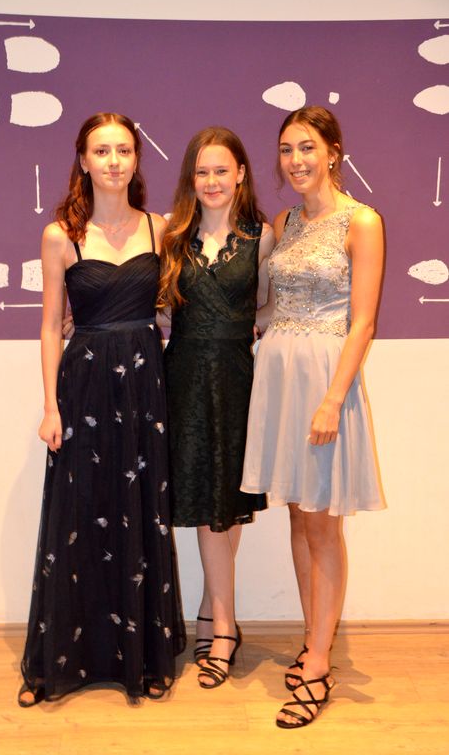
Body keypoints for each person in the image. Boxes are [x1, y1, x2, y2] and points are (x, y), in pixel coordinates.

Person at [19, 112, 185, 707]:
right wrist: (50, 406)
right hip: (84, 386)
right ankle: (65, 661)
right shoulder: (60, 235)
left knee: (140, 514)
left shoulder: (161, 228)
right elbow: (49, 326)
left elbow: (172, 308)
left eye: (123, 150)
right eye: (102, 151)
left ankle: (144, 657)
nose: (114, 161)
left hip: (144, 387)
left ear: (136, 158)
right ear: (83, 160)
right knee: (80, 514)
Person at [241, 106, 385, 727]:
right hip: (280, 377)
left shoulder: (362, 221)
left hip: (326, 380)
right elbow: (271, 309)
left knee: (324, 524)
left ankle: (320, 663)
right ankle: (312, 639)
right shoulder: (286, 222)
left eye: (307, 147)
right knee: (299, 518)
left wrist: (332, 398)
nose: (295, 160)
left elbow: (364, 322)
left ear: (333, 152)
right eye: (286, 149)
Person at [158, 127, 275, 689]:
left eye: (221, 170)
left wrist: (248, 326)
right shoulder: (170, 236)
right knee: (209, 505)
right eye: (201, 172)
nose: (211, 181)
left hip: (236, 380)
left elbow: (272, 304)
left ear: (241, 174)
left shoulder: (261, 237)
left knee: (226, 502)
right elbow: (159, 309)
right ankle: (224, 625)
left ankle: (211, 614)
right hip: (182, 379)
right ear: (191, 178)